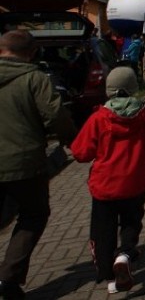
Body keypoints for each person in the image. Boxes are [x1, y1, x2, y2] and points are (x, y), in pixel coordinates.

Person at [70, 67, 145, 294]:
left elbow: (81, 153)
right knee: (131, 222)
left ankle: (108, 276)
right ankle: (124, 255)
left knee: (102, 230)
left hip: (104, 185)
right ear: (134, 88)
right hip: (135, 182)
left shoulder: (99, 118)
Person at [0, 30, 77, 300]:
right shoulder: (35, 79)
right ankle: (7, 279)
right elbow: (55, 114)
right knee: (33, 215)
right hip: (24, 163)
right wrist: (72, 140)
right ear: (32, 53)